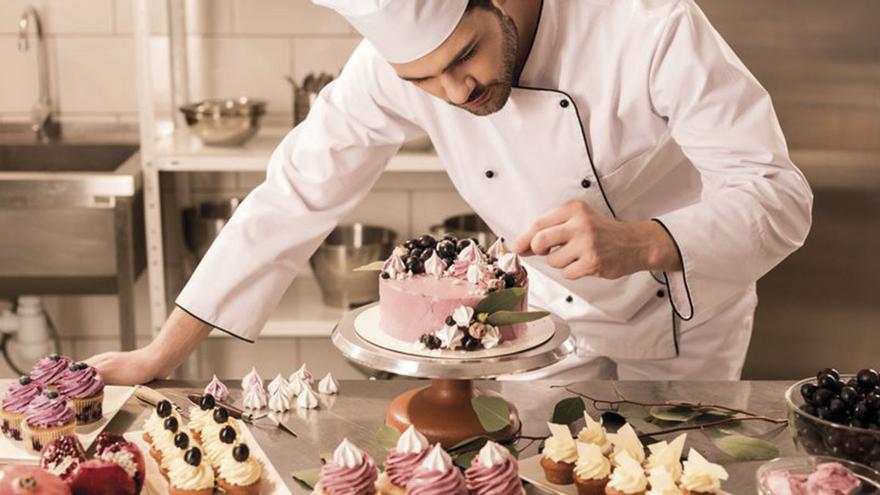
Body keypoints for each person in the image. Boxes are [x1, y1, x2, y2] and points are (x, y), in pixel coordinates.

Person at [87, 0, 812, 384]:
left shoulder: (648, 26)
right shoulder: (396, 69)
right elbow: (293, 195)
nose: (456, 92)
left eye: (465, 54)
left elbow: (778, 196)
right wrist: (161, 353)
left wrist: (643, 240)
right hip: (544, 328)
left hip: (683, 328)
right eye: (422, 80)